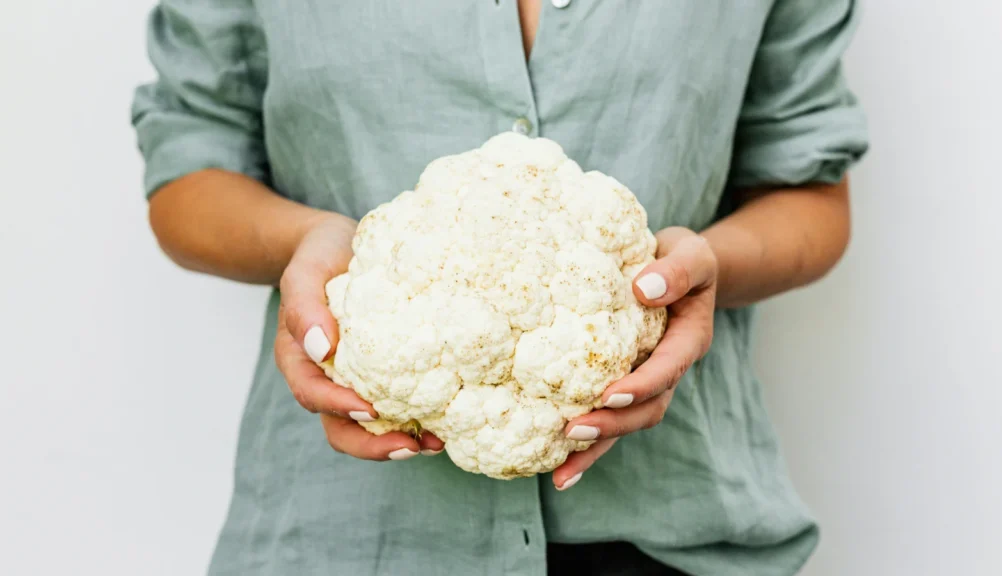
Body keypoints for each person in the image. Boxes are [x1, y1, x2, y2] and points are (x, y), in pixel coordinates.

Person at [132, 1, 868, 574]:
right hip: (343, 537)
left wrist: (704, 267)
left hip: (673, 538)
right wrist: (307, 244)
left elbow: (808, 189)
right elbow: (189, 169)